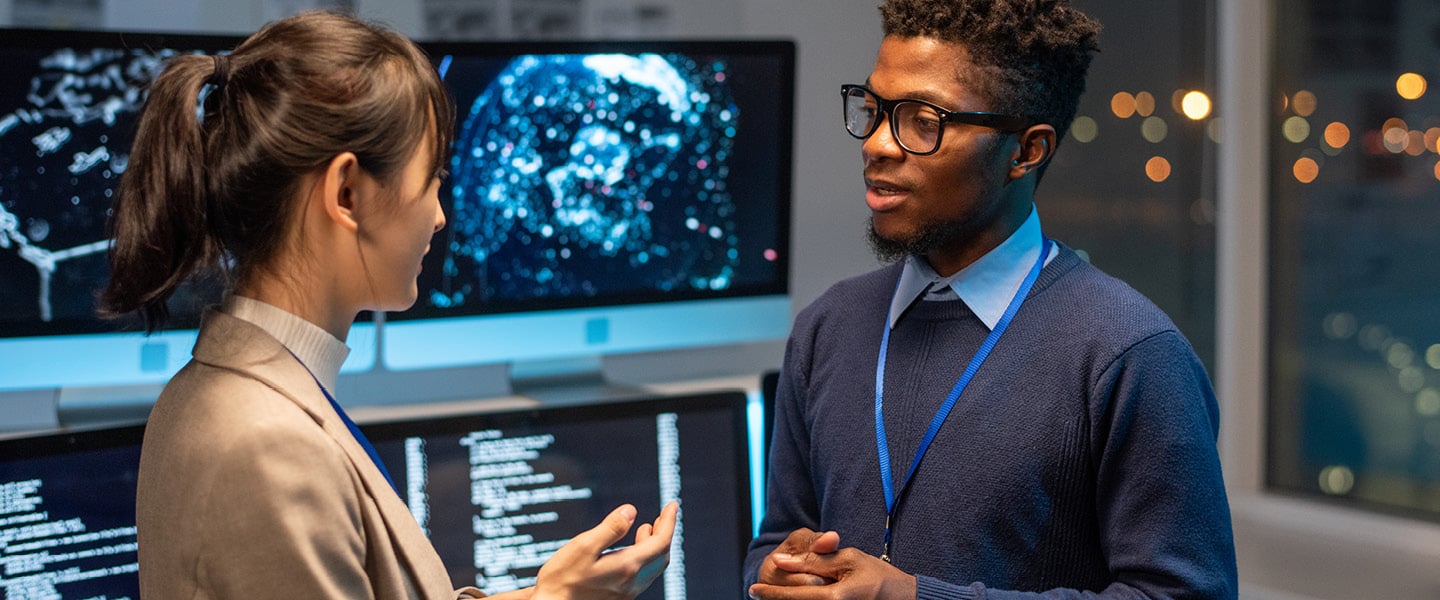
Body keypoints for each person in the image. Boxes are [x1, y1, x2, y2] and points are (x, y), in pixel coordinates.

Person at [101, 11, 676, 599]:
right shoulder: (267, 446)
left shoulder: (243, 395)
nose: (439, 215)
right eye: (431, 180)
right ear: (347, 193)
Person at [744, 0, 1237, 598]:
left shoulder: (1130, 353)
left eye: (924, 120)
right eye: (874, 110)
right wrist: (775, 573)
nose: (877, 144)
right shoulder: (827, 326)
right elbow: (777, 539)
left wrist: (913, 596)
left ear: (1026, 152)